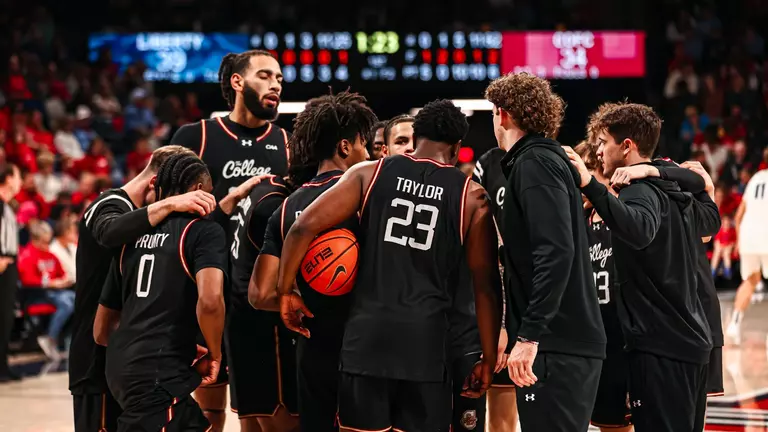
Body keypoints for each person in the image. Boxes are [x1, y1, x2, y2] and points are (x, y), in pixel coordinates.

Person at [277, 99, 501, 432]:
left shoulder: (368, 173)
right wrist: (488, 357)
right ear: (456, 148)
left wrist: (285, 290)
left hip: (366, 344)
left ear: (417, 136)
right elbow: (485, 285)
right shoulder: (472, 197)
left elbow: (301, 228)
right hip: (425, 348)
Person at [566, 101, 720, 432]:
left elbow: (638, 230)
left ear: (627, 146)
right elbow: (711, 221)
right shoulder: (674, 189)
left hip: (659, 345)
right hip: (693, 341)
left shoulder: (637, 191)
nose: (598, 151)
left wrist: (589, 183)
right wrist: (704, 188)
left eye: (603, 143)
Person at [170, 50, 289, 429]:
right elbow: (169, 214)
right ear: (238, 82)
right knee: (210, 412)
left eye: (279, 79)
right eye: (265, 75)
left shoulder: (287, 143)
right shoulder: (196, 136)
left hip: (256, 293)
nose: (276, 84)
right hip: (205, 288)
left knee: (257, 412)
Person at [485, 72, 606, 431]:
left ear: (503, 114)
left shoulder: (534, 163)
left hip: (557, 344)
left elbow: (555, 252)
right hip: (559, 342)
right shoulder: (539, 160)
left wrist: (529, 335)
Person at [249, 90, 375, 431]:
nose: (368, 154)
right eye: (363, 145)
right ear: (345, 147)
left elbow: (259, 295)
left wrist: (302, 297)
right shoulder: (370, 196)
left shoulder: (286, 208)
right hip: (367, 343)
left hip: (313, 342)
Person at [69, 146, 218, 432]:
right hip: (96, 357)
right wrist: (169, 204)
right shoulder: (109, 202)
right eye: (173, 193)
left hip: (136, 362)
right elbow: (109, 231)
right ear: (154, 183)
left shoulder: (153, 224)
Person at [471, 134, 517, 432]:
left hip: (529, 302)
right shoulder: (489, 162)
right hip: (496, 299)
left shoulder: (552, 160)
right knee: (495, 417)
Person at [18, 220, 74, 361]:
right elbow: (27, 280)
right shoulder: (27, 255)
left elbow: (61, 272)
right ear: (35, 240)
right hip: (37, 293)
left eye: (48, 242)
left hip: (56, 291)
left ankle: (66, 341)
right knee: (67, 303)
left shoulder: (49, 254)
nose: (47, 246)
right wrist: (50, 283)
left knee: (77, 299)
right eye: (44, 242)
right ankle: (50, 337)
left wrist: (63, 280)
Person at [726, 168, 768, 344]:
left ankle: (734, 324)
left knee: (750, 280)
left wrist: (739, 240)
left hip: (748, 235)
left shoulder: (755, 179)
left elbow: (739, 215)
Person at [0, 164, 20, 382]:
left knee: (6, 318)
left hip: (9, 264)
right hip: (3, 263)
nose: (19, 181)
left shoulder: (7, 204)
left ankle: (3, 364)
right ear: (8, 178)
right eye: (17, 176)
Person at [49, 218, 78, 283]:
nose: (76, 234)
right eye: (74, 231)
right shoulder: (52, 250)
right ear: (65, 233)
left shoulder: (73, 246)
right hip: (65, 284)